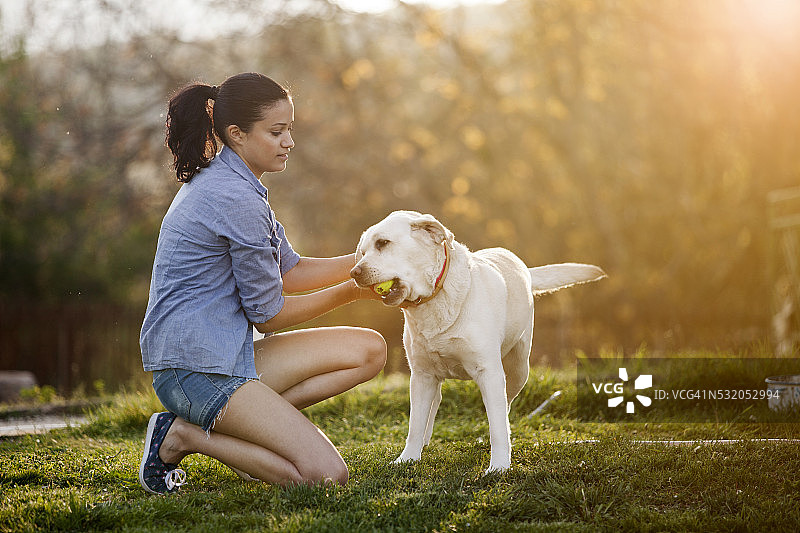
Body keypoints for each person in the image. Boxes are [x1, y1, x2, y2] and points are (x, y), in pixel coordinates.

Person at [138, 72, 387, 494]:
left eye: (290, 129)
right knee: (325, 477)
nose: (289, 141)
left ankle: (247, 433)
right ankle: (184, 436)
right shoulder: (232, 197)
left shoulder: (242, 185)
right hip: (195, 371)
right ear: (236, 134)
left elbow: (289, 271)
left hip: (227, 357)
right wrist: (351, 290)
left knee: (369, 350)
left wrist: (369, 261)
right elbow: (268, 315)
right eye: (276, 132)